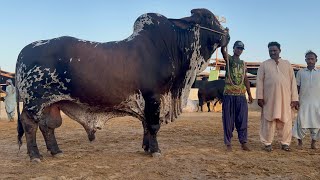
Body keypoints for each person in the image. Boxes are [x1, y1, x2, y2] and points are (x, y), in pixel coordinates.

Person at [256, 41, 299, 152]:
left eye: (275, 50)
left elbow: (293, 82)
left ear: (280, 50)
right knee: (268, 121)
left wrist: (295, 98)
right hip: (269, 99)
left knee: (285, 122)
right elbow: (259, 81)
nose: (272, 52)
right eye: (270, 51)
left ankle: (285, 143)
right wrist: (259, 97)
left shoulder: (287, 64)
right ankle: (267, 143)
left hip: (285, 99)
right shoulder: (264, 64)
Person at [221, 40, 253, 151]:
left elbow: (245, 79)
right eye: (237, 48)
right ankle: (228, 143)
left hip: (241, 95)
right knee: (228, 119)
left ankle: (243, 142)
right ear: (233, 48)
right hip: (229, 94)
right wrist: (224, 44)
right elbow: (223, 52)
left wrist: (249, 94)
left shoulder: (243, 63)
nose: (239, 50)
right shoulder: (229, 59)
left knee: (242, 119)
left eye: (241, 49)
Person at [292, 50, 320, 149]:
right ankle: (300, 143)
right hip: (303, 103)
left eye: (312, 59)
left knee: (316, 124)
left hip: (317, 104)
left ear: (316, 60)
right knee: (301, 123)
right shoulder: (300, 72)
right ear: (305, 60)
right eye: (308, 59)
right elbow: (297, 87)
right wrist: (295, 100)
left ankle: (313, 143)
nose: (310, 61)